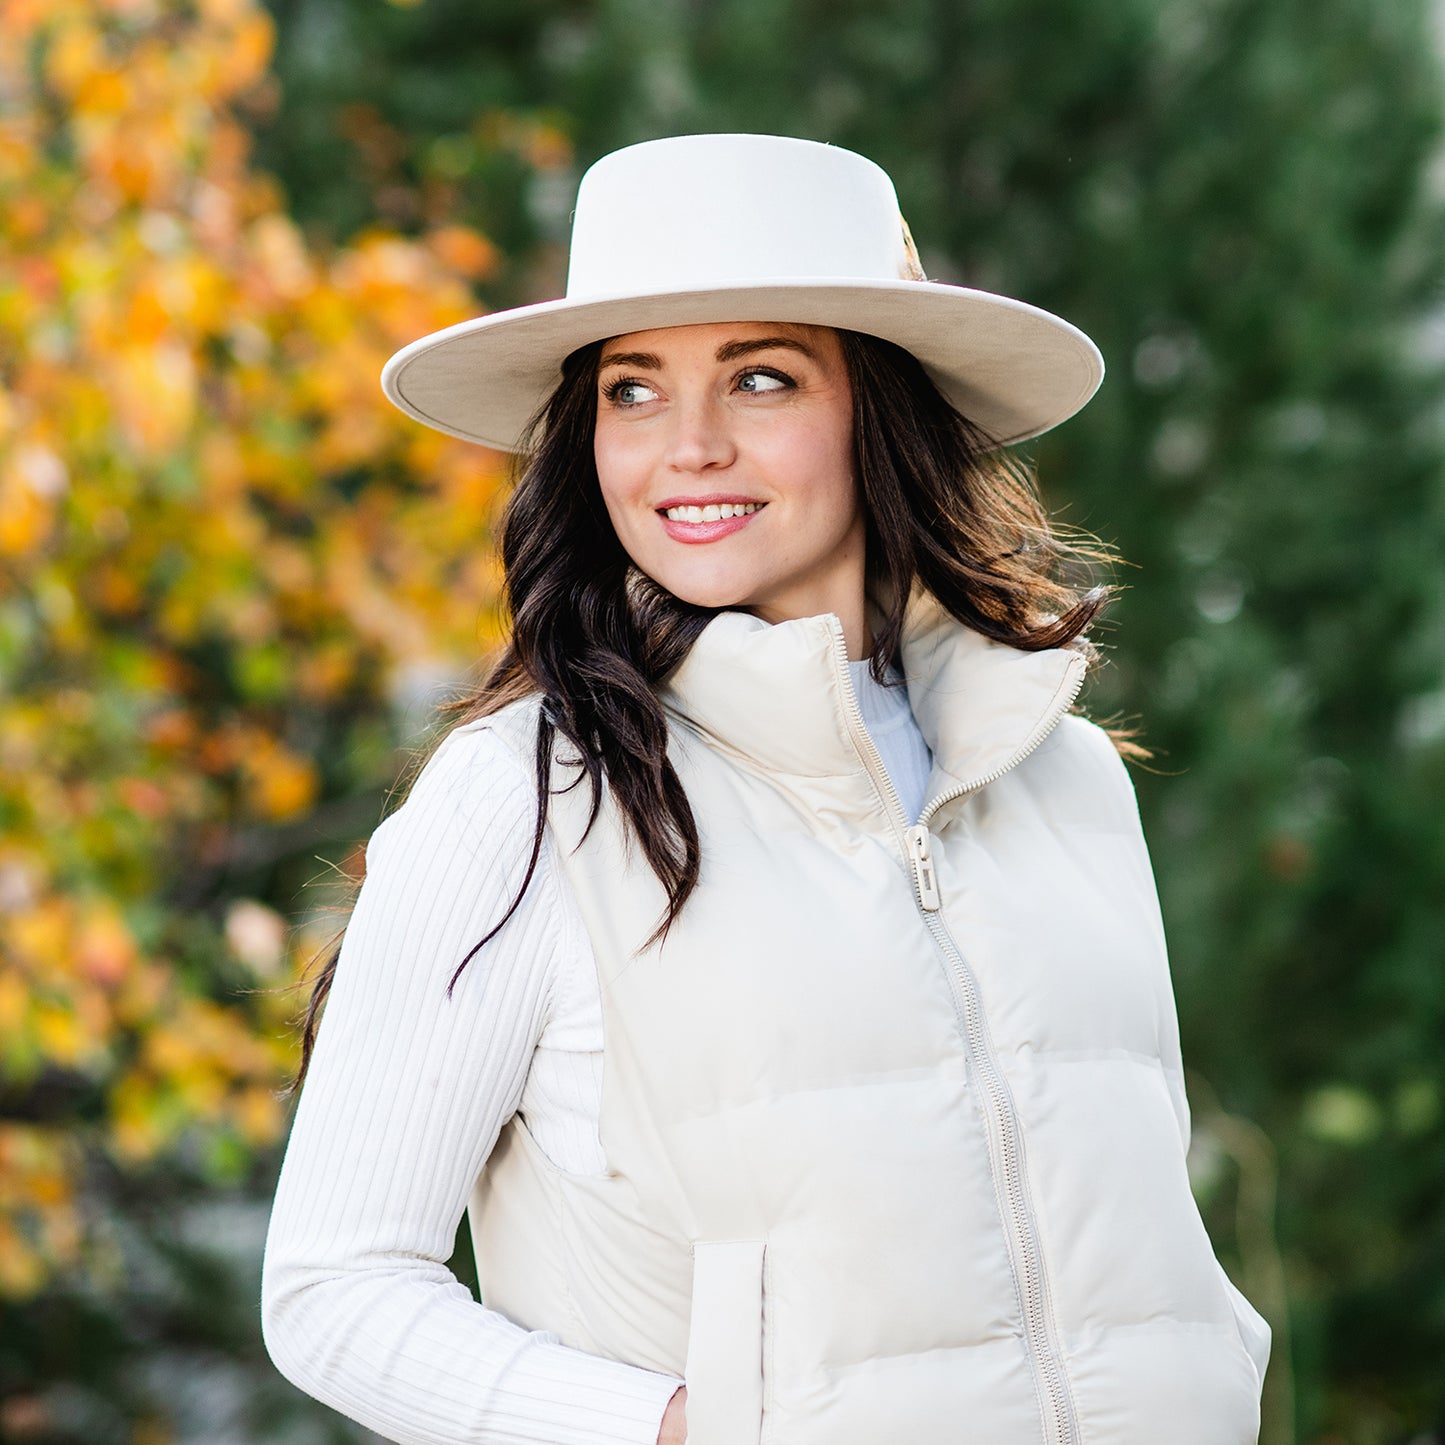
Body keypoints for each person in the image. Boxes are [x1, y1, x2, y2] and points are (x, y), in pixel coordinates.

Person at [260, 133, 1271, 1445]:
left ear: (880, 411)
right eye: (631, 391)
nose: (685, 446)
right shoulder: (524, 796)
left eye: (759, 377)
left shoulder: (1064, 776)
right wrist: (686, 1431)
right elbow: (336, 1290)